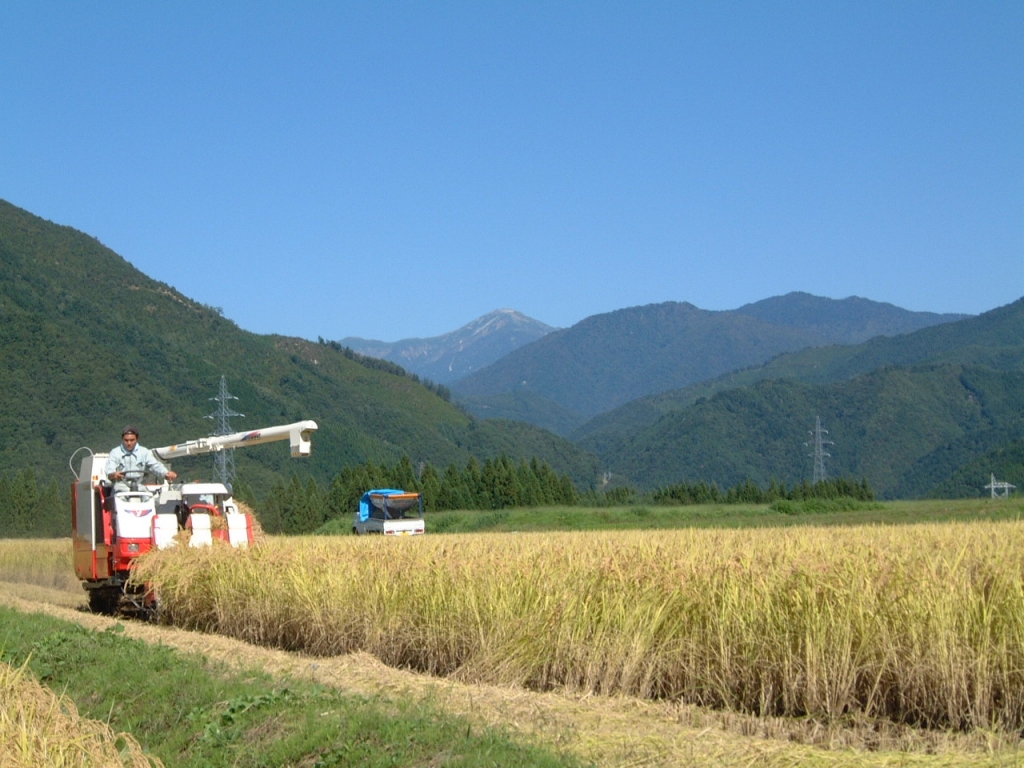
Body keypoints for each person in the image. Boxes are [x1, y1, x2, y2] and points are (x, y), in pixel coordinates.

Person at [104, 425, 177, 493]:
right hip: (120, 487)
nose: (129, 443)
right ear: (122, 439)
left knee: (148, 499)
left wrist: (166, 473)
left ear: (137, 439)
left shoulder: (144, 452)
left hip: (139, 486)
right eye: (126, 440)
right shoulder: (115, 452)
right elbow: (110, 468)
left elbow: (155, 465)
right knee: (120, 501)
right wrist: (113, 474)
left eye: (132, 440)